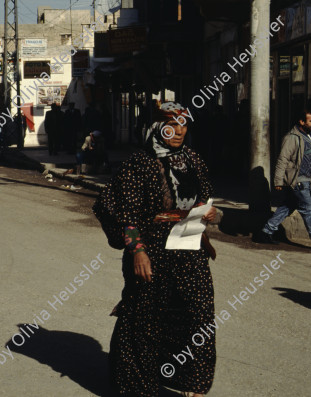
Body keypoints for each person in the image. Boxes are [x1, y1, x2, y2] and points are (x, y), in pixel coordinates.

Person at [108, 102, 217, 397]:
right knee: (144, 318)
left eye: (184, 124)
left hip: (189, 248)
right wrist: (138, 252)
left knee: (198, 313)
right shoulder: (138, 164)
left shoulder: (193, 159)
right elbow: (126, 216)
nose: (179, 131)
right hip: (151, 250)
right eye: (172, 125)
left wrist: (209, 214)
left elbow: (205, 201)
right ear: (157, 128)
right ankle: (137, 387)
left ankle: (192, 383)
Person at [255, 110, 311, 250]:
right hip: (298, 180)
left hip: (307, 179)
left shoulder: (310, 135)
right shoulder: (292, 138)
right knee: (308, 209)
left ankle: (265, 232)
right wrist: (278, 181)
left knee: (287, 207)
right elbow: (282, 160)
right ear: (301, 122)